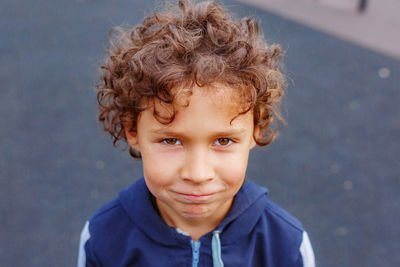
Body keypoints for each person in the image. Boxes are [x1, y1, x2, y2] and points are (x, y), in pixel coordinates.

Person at [77, 0, 315, 266]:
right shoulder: (103, 238)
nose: (198, 174)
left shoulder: (285, 244)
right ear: (132, 130)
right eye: (171, 140)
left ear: (254, 132)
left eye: (223, 140)